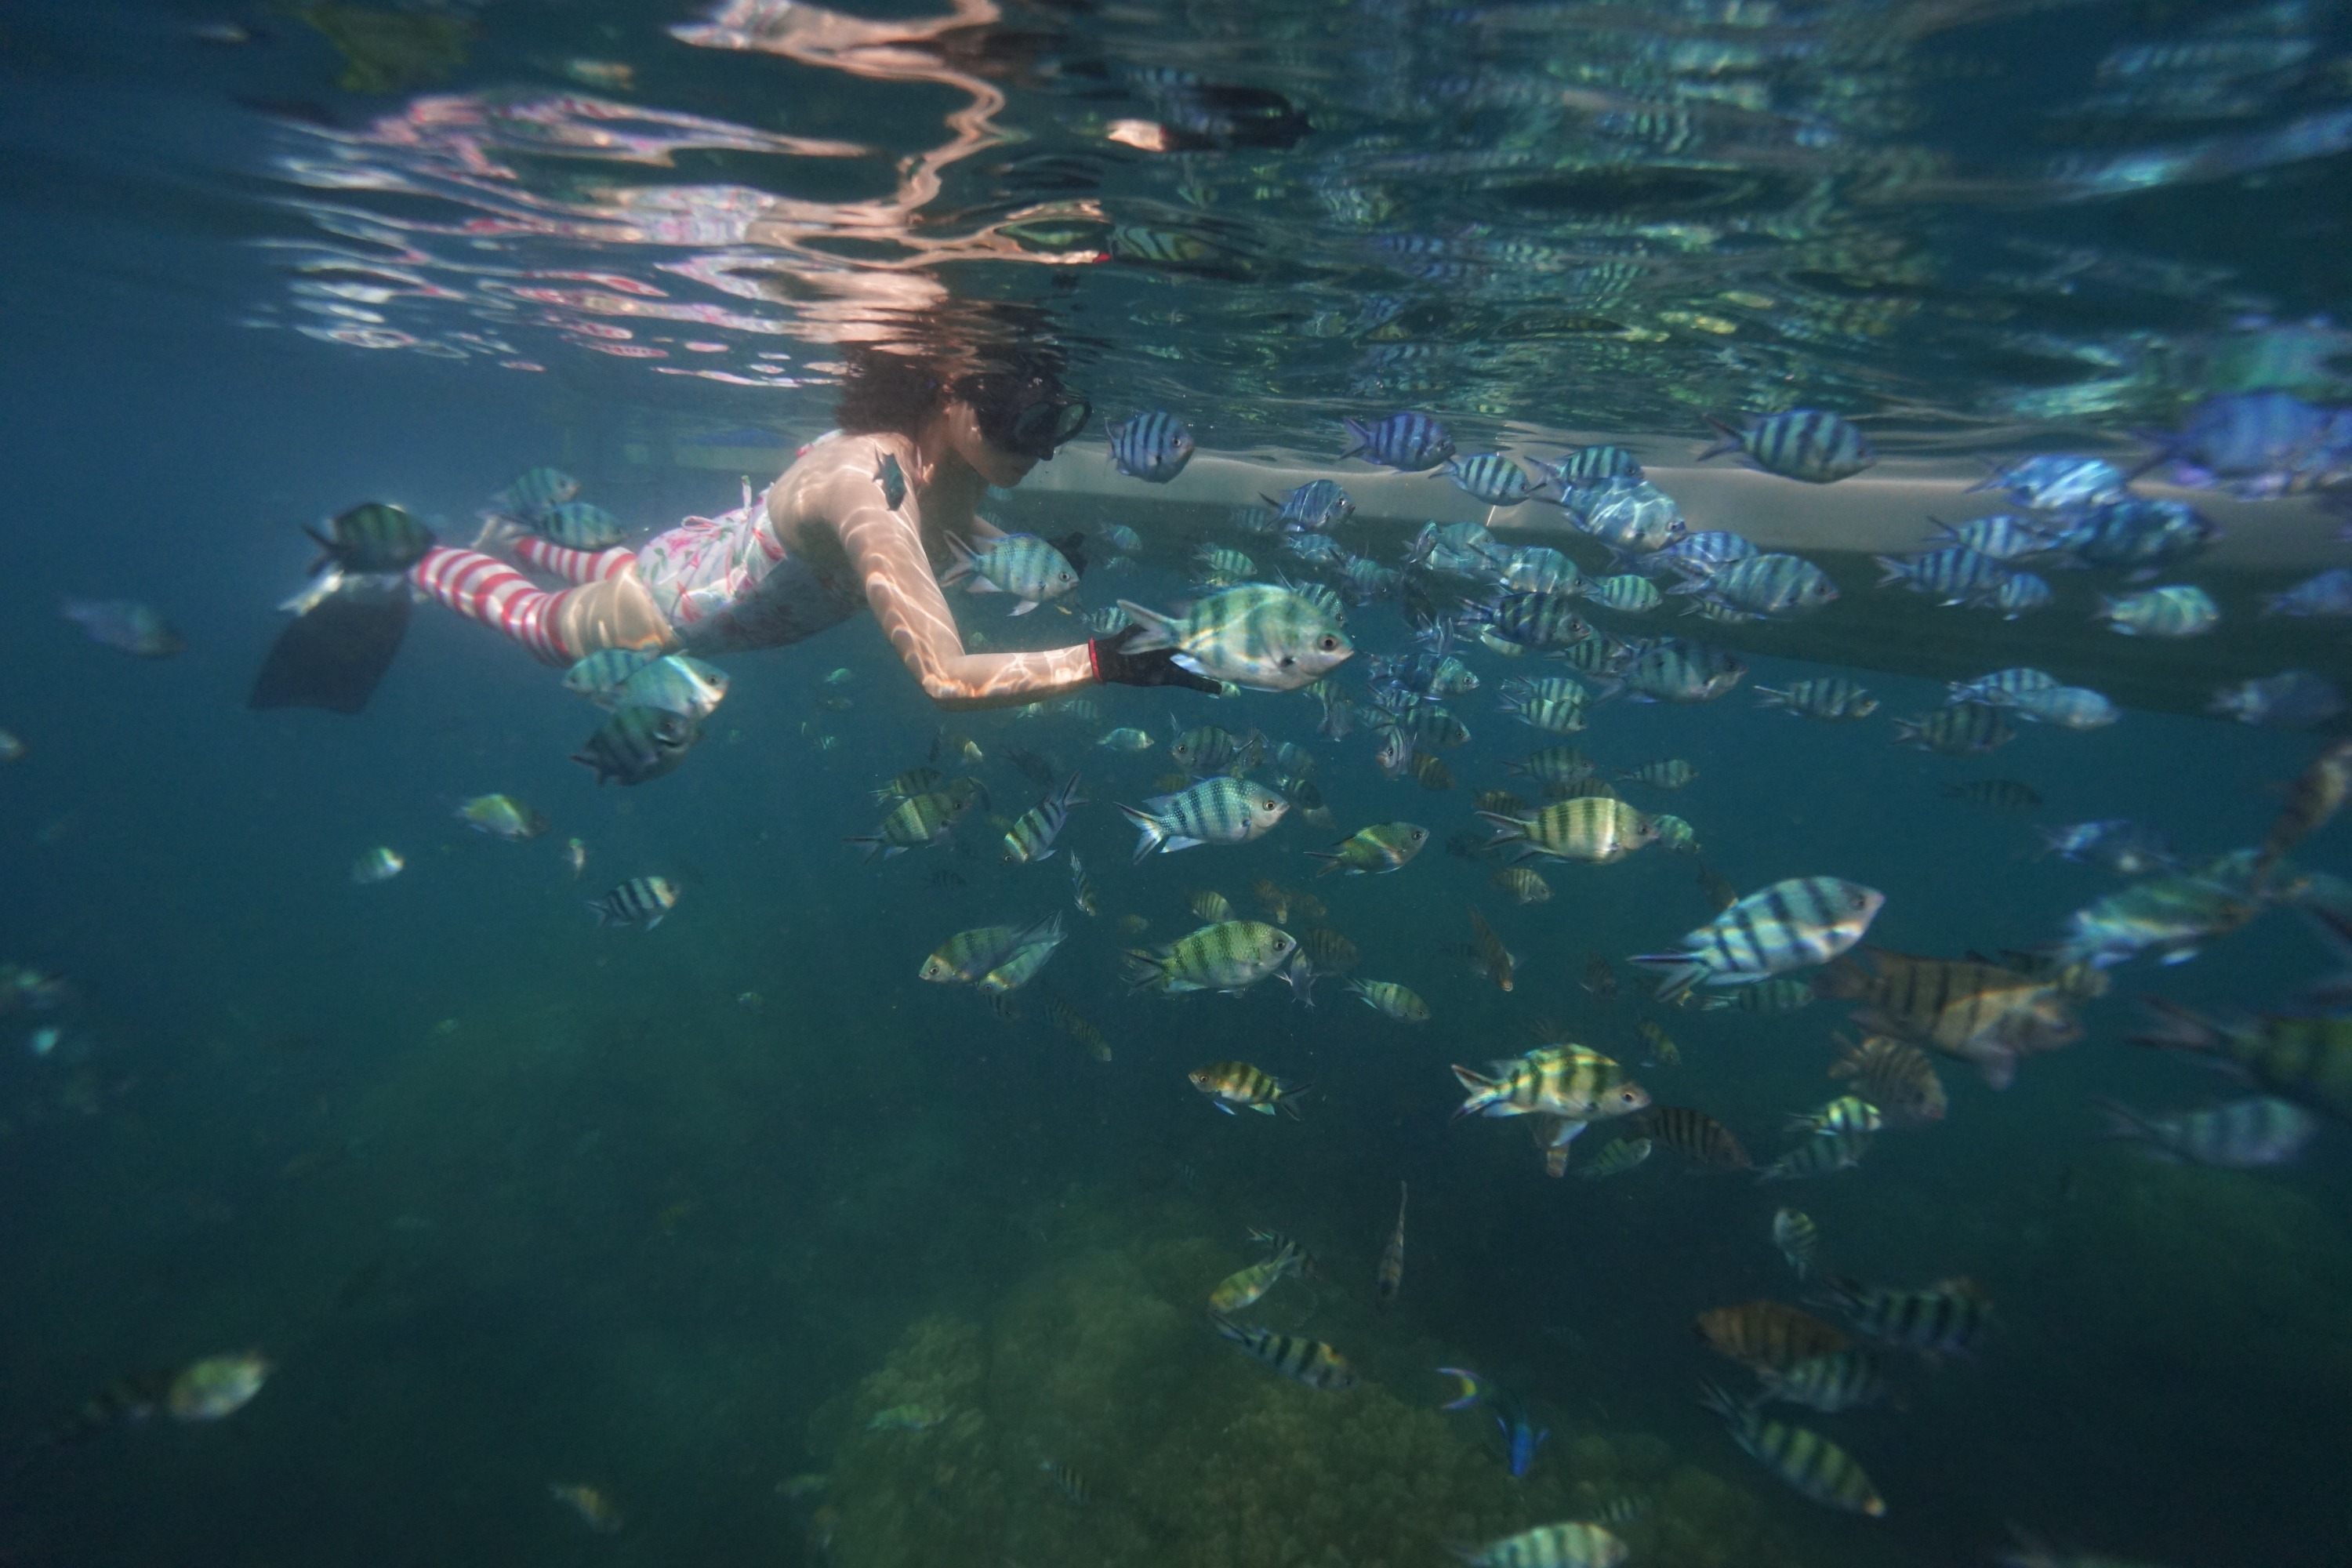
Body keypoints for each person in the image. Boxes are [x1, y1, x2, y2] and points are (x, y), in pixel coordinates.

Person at [255, 345, 1215, 715]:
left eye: (1056, 416)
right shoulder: (864, 490)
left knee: (620, 560)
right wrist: (1099, 659)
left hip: (707, 553)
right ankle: (413, 551)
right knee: (547, 630)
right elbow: (944, 677)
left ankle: (504, 528)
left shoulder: (947, 468)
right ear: (951, 391)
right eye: (1018, 407)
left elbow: (950, 538)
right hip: (672, 607)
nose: (1039, 437)